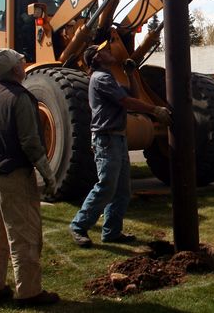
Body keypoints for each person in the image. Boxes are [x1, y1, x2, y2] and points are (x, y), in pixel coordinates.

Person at [69, 40, 172, 247]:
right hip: (106, 139)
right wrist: (154, 110)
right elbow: (126, 102)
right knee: (106, 186)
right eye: (104, 51)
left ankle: (112, 232)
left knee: (122, 190)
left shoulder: (110, 78)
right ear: (96, 59)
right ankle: (78, 226)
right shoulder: (100, 79)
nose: (109, 51)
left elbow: (133, 95)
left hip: (117, 137)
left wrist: (131, 74)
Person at [0, 48, 59, 307]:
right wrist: (48, 174)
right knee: (23, 233)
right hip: (12, 173)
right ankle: (29, 293)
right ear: (15, 70)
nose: (24, 66)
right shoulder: (20, 97)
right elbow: (31, 142)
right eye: (22, 63)